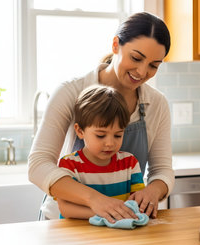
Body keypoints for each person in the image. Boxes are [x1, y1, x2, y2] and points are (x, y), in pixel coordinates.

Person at [28, 12, 174, 223]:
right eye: (136, 58)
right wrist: (95, 200)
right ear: (116, 45)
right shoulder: (71, 91)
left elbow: (162, 171)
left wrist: (153, 191)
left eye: (154, 65)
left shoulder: (156, 103)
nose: (142, 72)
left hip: (123, 222)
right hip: (66, 224)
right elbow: (38, 165)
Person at [57, 85, 145, 219]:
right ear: (80, 131)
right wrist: (106, 214)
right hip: (80, 237)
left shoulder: (129, 163)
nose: (110, 143)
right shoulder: (70, 165)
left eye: (118, 135)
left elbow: (136, 203)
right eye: (100, 135)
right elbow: (66, 209)